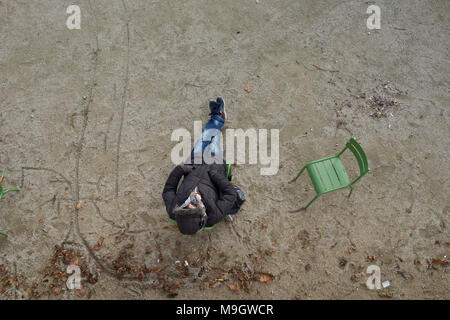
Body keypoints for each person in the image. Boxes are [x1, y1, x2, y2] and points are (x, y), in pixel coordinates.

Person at [162, 97, 245, 235]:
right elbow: (230, 195)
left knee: (204, 137)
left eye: (187, 203)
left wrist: (180, 170)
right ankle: (218, 117)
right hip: (215, 165)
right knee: (214, 141)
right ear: (203, 215)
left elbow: (168, 190)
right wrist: (216, 176)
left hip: (194, 162)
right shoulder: (214, 215)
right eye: (196, 204)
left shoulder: (173, 209)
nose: (193, 197)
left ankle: (218, 117)